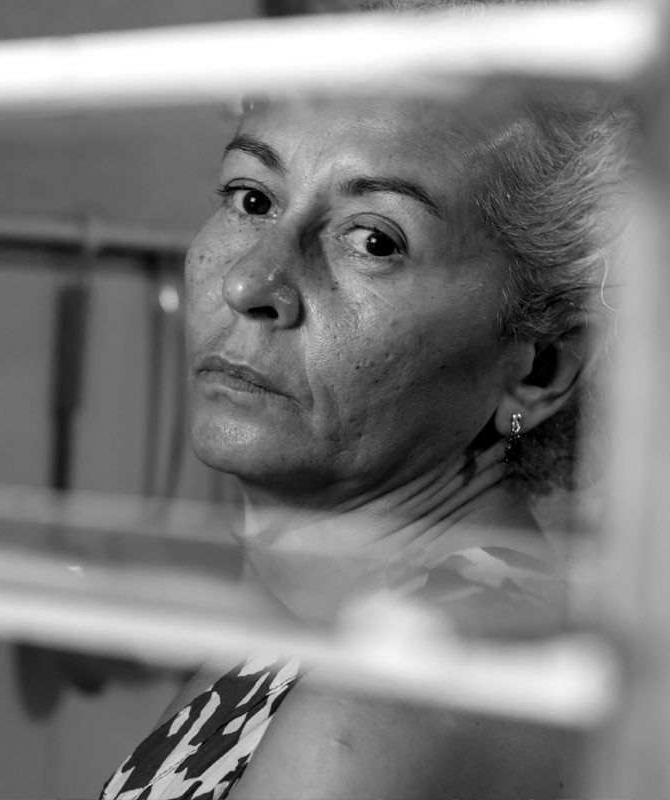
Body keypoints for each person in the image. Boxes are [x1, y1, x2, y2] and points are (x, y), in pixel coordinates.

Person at [98, 7, 634, 799]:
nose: (250, 283)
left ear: (538, 371)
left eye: (374, 240)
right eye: (252, 198)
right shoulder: (330, 617)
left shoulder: (381, 705)